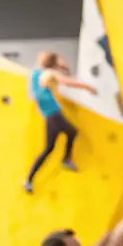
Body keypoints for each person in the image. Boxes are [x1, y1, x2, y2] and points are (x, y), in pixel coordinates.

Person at [23, 50, 97, 194]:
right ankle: (65, 159)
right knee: (71, 132)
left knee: (49, 148)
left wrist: (61, 66)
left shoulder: (37, 74)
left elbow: (37, 92)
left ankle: (29, 180)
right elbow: (67, 82)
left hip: (50, 114)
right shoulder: (49, 73)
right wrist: (87, 87)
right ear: (53, 64)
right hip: (53, 113)